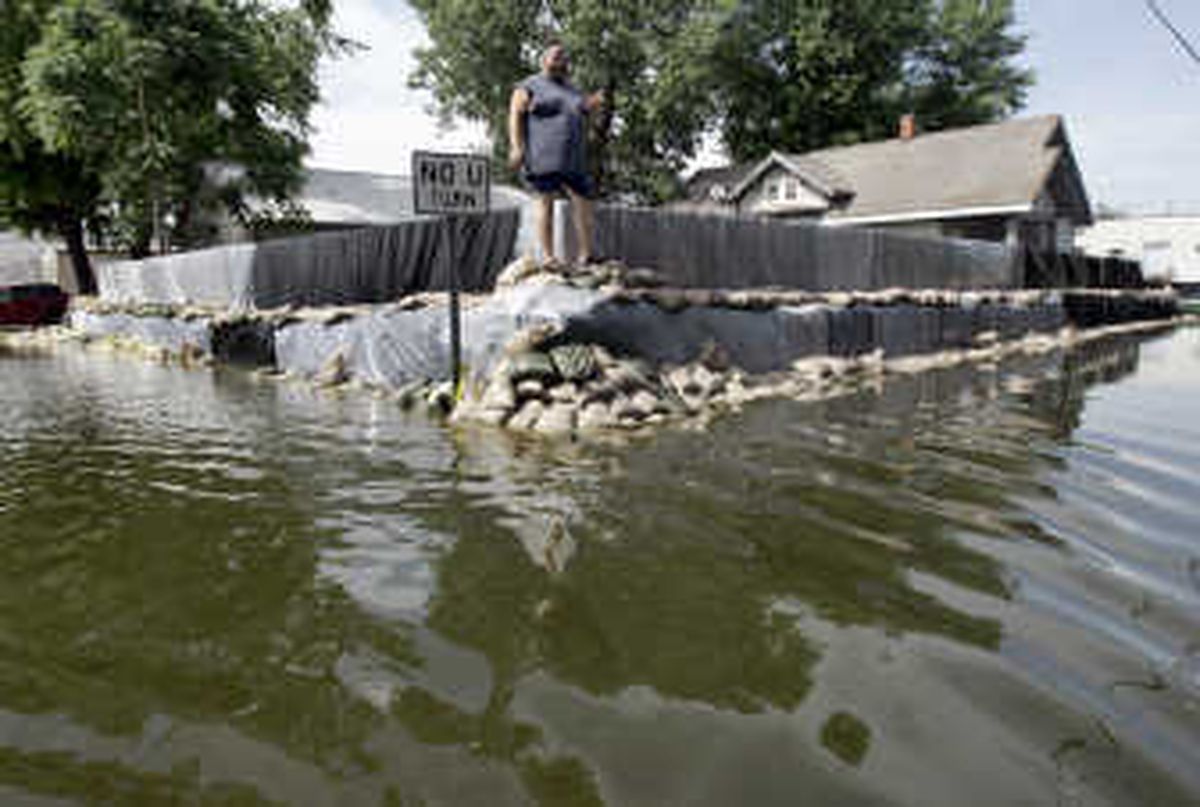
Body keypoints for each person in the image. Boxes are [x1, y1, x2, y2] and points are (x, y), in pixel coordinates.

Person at [508, 44, 604, 265]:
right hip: (544, 157)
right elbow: (514, 115)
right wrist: (516, 146)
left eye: (564, 57)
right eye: (556, 56)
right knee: (546, 204)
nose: (561, 59)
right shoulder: (529, 85)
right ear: (544, 60)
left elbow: (585, 114)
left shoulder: (572, 90)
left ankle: (587, 253)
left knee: (584, 203)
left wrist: (593, 106)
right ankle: (549, 257)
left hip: (574, 159)